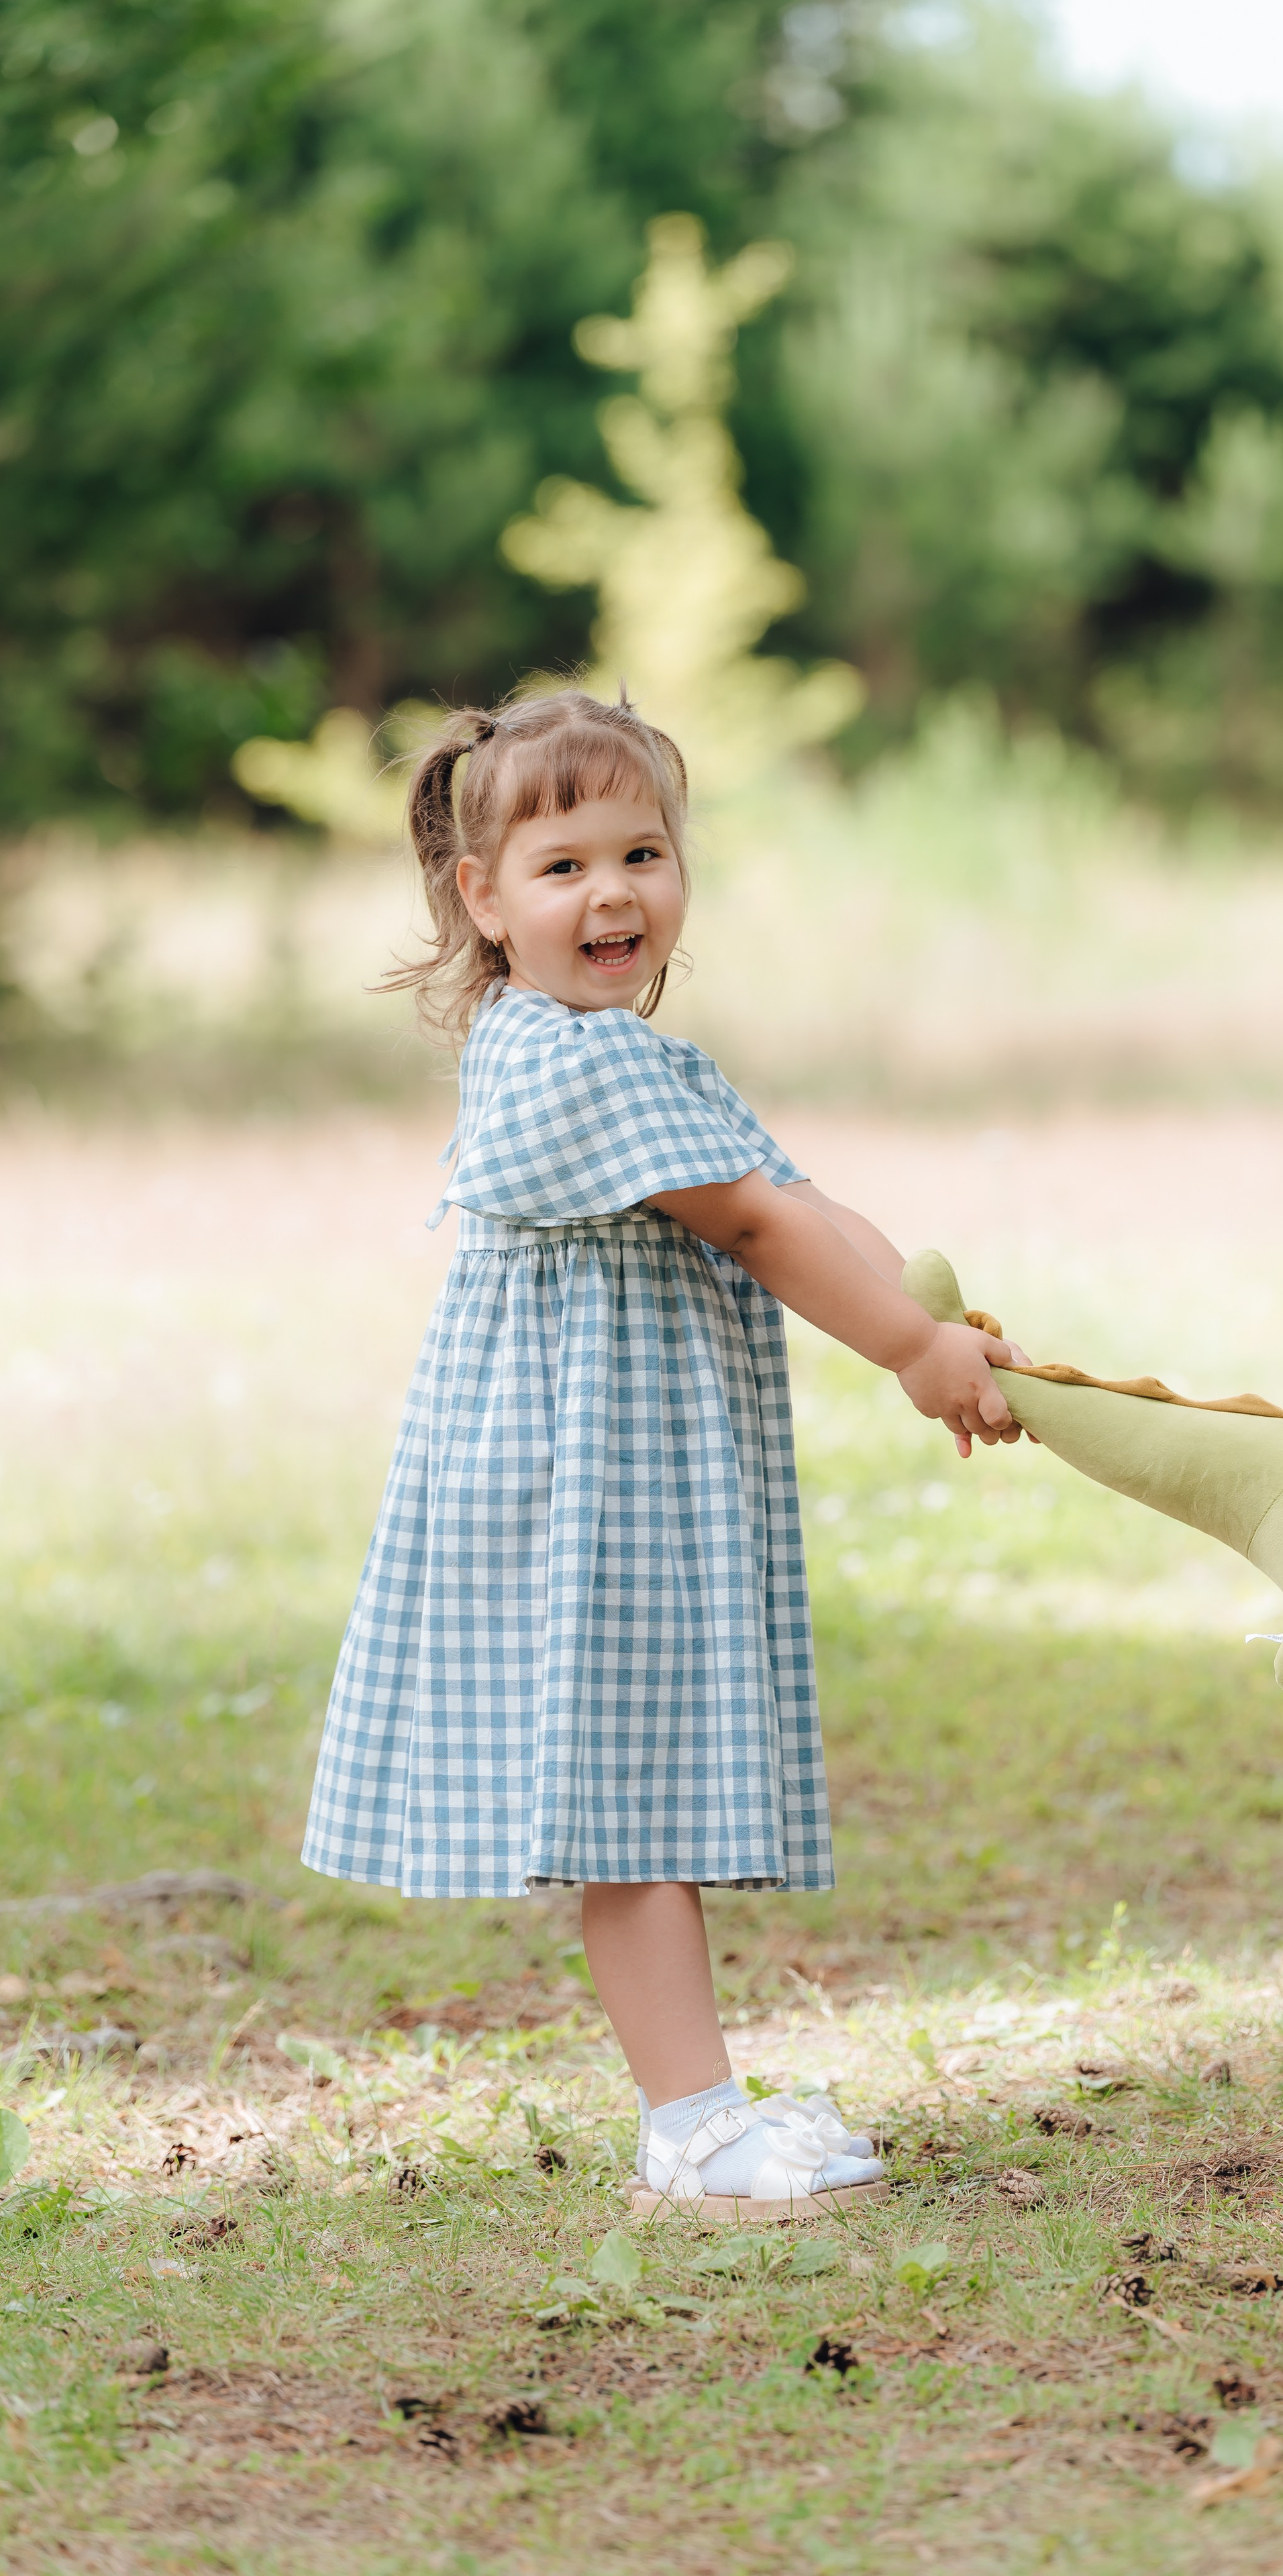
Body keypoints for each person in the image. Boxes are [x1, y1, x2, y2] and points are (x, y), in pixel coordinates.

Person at [301, 684, 1025, 2219]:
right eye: (562, 867)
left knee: (656, 1791)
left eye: (642, 852)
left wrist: (936, 1317)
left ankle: (704, 2103)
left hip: (636, 1475)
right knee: (631, 1811)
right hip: (582, 1491)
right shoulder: (568, 1060)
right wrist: (909, 1352)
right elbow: (759, 1224)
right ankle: (688, 2124)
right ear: (481, 899)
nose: (612, 892)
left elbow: (792, 1194)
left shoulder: (629, 1054)